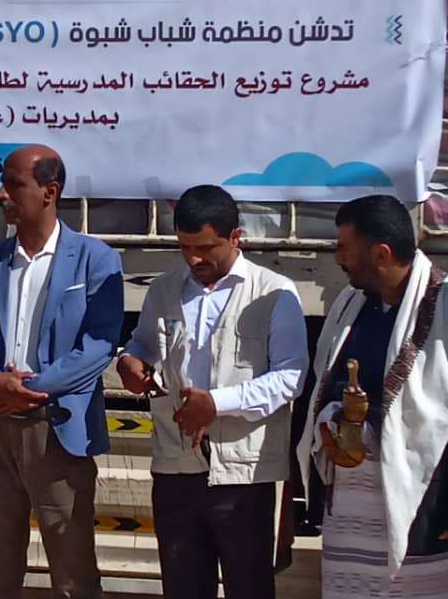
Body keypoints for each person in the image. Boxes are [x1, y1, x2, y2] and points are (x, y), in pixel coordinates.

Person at [297, 195, 448, 599]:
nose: (338, 258)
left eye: (344, 248)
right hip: (352, 511)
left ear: (381, 254)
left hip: (429, 509)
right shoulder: (350, 307)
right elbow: (324, 385)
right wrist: (334, 422)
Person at [118, 185, 307, 599]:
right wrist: (130, 362)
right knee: (183, 587)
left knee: (249, 587)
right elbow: (143, 344)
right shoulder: (164, 289)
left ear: (236, 237)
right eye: (184, 248)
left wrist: (216, 404)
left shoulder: (274, 291)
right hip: (176, 468)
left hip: (243, 473)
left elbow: (290, 377)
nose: (193, 259)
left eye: (205, 248)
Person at [0, 145, 123, 599]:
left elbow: (100, 345)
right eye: (2, 184)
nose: (1, 195)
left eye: (14, 184)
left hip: (57, 430)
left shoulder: (94, 259)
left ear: (50, 191)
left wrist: (32, 389)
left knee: (72, 575)